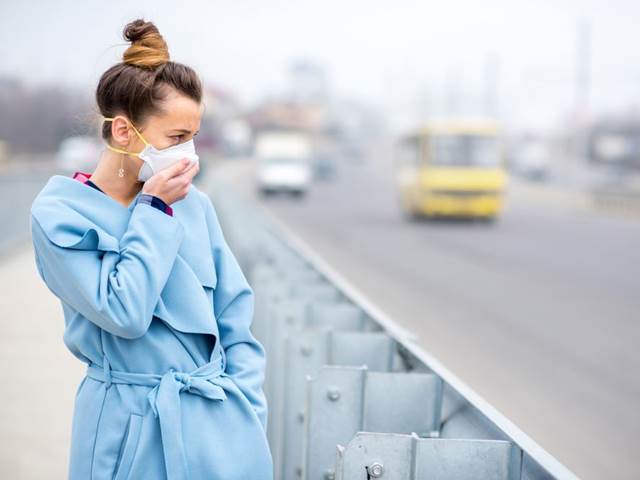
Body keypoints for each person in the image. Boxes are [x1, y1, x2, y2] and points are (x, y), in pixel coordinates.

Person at [29, 18, 273, 480]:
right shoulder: (60, 215)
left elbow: (235, 319)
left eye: (194, 136)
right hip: (125, 428)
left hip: (218, 423)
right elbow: (124, 312)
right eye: (176, 139)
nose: (190, 153)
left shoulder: (196, 206)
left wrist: (246, 410)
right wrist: (154, 209)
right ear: (124, 132)